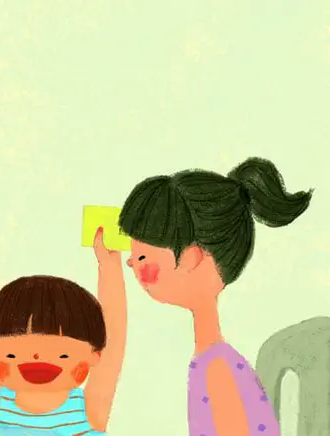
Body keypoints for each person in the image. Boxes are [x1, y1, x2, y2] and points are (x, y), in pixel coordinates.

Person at [118, 156, 313, 435]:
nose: (131, 264)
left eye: (141, 257)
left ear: (189, 257)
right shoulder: (214, 359)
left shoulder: (217, 369)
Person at [0, 230, 127, 434]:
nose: (35, 357)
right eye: (12, 355)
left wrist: (110, 266)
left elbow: (113, 342)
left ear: (95, 355)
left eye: (63, 355)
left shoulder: (89, 410)